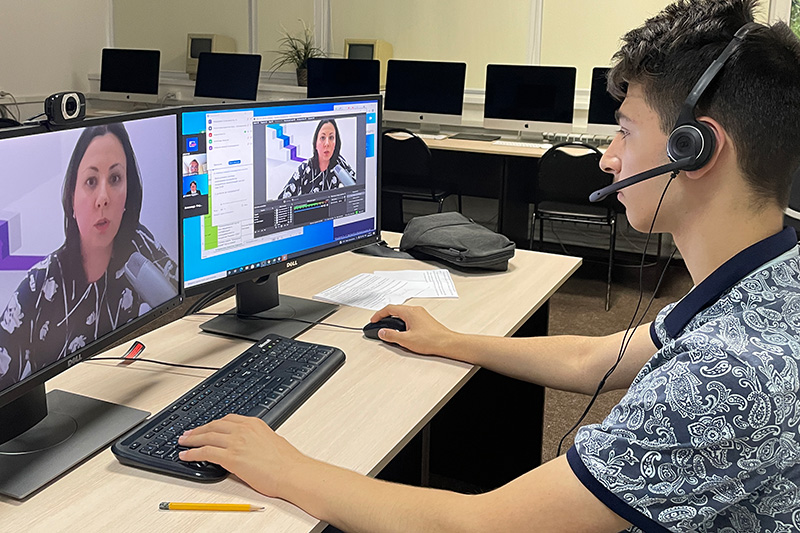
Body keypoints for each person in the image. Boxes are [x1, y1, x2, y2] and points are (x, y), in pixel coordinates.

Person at [178, 1, 800, 530]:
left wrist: (285, 467)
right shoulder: (771, 276)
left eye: (625, 131)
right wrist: (452, 341)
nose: (609, 158)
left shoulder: (727, 374)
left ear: (695, 149)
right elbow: (593, 359)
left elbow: (481, 525)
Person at [0, 123, 178, 388]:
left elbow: (185, 305)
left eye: (115, 179)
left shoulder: (142, 249)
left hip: (135, 390)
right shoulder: (38, 286)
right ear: (71, 197)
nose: (103, 198)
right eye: (91, 182)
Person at [278, 118, 356, 198]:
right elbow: (283, 198)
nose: (327, 143)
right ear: (316, 143)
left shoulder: (340, 166)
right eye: (322, 138)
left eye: (331, 137)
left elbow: (359, 190)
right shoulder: (305, 168)